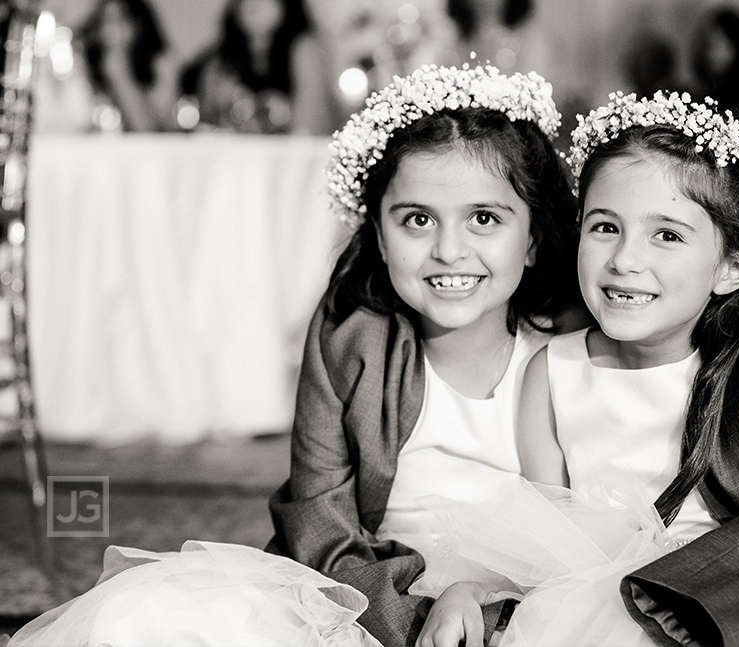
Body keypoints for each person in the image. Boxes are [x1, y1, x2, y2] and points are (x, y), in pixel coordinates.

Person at [410, 90, 739, 646]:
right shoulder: (551, 373)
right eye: (604, 227)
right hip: (597, 607)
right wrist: (469, 590)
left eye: (666, 235)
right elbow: (549, 536)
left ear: (732, 268)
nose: (625, 260)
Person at [266, 61, 581, 647]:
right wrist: (414, 623)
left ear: (533, 238)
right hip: (358, 601)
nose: (449, 251)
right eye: (417, 220)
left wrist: (490, 617)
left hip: (521, 612)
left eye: (484, 218)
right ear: (381, 237)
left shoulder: (571, 355)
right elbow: (318, 524)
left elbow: (592, 534)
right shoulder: (349, 341)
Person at [179, 0, 337, 134]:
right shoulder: (221, 59)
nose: (253, 3)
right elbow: (207, 124)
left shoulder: (304, 50)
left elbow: (311, 126)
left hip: (288, 162)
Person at [73, 0, 178, 131]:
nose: (110, 28)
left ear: (139, 23)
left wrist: (119, 73)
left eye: (120, 19)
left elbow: (149, 131)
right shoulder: (85, 62)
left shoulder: (160, 63)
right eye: (104, 20)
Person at [689, 7, 739, 130]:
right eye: (709, 45)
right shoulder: (696, 90)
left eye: (720, 46)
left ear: (738, 48)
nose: (712, 54)